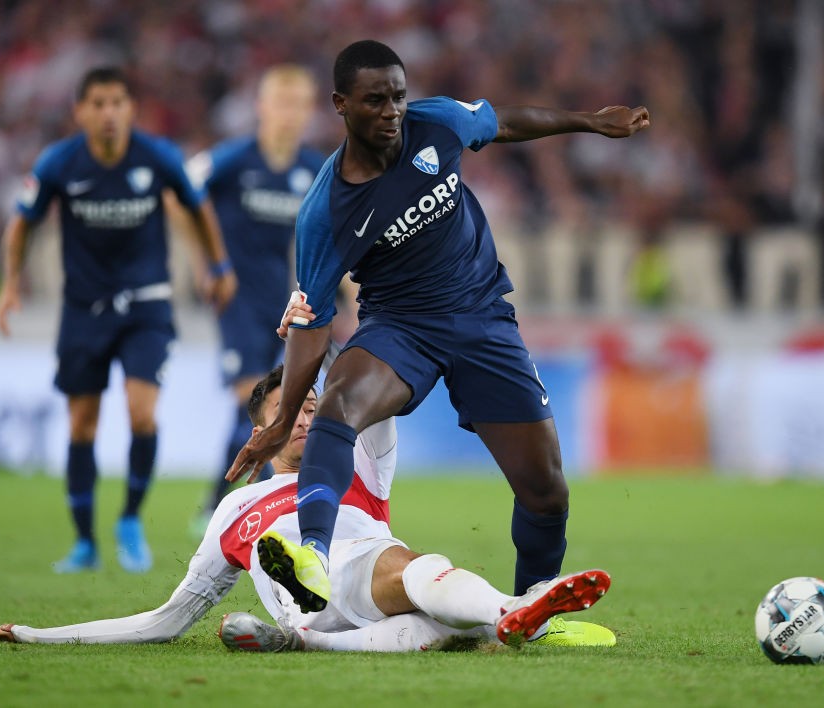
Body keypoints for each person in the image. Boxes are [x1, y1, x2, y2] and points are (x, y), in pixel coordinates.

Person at [226, 40, 650, 610]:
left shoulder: (438, 124)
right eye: (374, 101)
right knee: (338, 405)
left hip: (483, 318)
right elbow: (312, 323)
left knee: (546, 491)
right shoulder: (326, 211)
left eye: (398, 97)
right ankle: (315, 556)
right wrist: (281, 424)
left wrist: (590, 123)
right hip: (401, 327)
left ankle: (533, 607)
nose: (391, 112)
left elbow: (503, 123)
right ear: (341, 105)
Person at [0, 304, 615, 651]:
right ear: (263, 433)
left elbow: (365, 375)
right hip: (327, 595)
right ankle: (510, 616)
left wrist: (315, 323)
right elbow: (165, 621)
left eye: (315, 405)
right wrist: (39, 635)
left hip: (367, 578)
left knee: (428, 588)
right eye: (292, 411)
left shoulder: (359, 456)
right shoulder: (234, 510)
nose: (311, 415)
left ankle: (505, 614)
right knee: (438, 610)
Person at [0, 66, 237, 574]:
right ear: (81, 111)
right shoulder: (60, 163)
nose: (109, 113)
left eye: (118, 102)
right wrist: (12, 283)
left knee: (141, 413)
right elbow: (22, 224)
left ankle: (129, 519)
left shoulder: (158, 156)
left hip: (147, 306)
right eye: (98, 103)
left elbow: (198, 208)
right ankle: (84, 543)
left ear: (131, 109)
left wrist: (217, 265)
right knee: (82, 423)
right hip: (84, 309)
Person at [177, 65, 327, 538]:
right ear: (261, 108)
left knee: (268, 404)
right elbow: (178, 193)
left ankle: (218, 503)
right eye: (280, 103)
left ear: (308, 112)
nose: (288, 115)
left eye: (297, 105)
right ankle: (265, 509)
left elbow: (334, 229)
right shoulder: (234, 159)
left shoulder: (312, 168)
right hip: (235, 297)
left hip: (284, 302)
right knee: (253, 397)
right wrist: (208, 261)